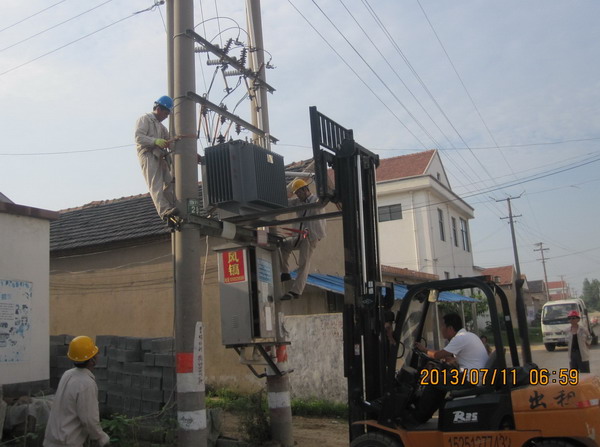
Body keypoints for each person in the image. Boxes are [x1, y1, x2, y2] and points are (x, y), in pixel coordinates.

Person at [411, 313, 489, 423]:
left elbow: (437, 355)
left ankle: (418, 417)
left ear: (450, 328)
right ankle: (425, 415)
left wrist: (424, 350)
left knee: (433, 381)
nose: (441, 329)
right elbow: (455, 358)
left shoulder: (460, 338)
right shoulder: (468, 335)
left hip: (470, 379)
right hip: (475, 376)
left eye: (442, 326)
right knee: (442, 381)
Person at [44, 336, 110, 447]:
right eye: (95, 354)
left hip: (51, 441)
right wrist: (101, 438)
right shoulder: (86, 383)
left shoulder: (67, 375)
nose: (97, 355)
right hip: (66, 443)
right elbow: (89, 420)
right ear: (92, 360)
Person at [280, 178, 326, 300]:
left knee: (303, 263)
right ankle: (285, 273)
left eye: (299, 192)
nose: (298, 195)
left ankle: (296, 291)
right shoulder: (298, 202)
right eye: (296, 193)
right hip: (300, 236)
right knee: (283, 245)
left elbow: (322, 202)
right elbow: (285, 203)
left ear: (306, 190)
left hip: (310, 237)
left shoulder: (316, 200)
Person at [134, 96, 177, 220]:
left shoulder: (162, 127)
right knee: (156, 184)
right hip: (148, 155)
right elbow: (138, 137)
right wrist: (155, 141)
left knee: (170, 181)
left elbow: (171, 143)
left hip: (160, 156)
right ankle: (164, 211)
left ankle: (173, 207)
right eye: (166, 113)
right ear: (158, 109)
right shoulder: (145, 119)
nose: (166, 116)